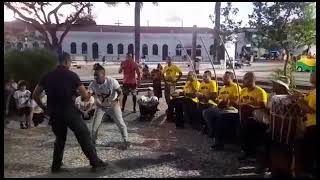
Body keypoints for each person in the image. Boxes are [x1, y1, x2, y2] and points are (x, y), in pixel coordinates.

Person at [32, 52, 107, 173]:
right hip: (69, 111)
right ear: (67, 61)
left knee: (60, 138)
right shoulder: (72, 75)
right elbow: (85, 96)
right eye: (70, 62)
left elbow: (35, 95)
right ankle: (95, 162)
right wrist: (87, 95)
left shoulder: (47, 76)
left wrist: (44, 108)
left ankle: (55, 166)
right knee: (83, 135)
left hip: (54, 113)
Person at [89, 63, 130, 149]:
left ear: (104, 76)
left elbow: (120, 92)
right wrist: (93, 98)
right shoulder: (93, 84)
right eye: (95, 77)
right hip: (100, 106)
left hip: (113, 105)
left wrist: (116, 100)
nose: (96, 79)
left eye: (98, 77)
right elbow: (89, 94)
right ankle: (93, 141)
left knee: (120, 123)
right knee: (94, 125)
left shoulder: (112, 81)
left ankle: (126, 140)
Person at [202, 71, 241, 150]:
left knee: (219, 117)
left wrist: (229, 102)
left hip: (231, 109)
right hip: (221, 108)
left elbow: (237, 100)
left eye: (226, 78)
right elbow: (218, 100)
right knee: (206, 112)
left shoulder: (236, 87)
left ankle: (219, 142)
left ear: (232, 79)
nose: (224, 79)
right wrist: (217, 101)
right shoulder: (222, 88)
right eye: (223, 77)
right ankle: (213, 131)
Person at [237, 72, 268, 161]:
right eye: (244, 78)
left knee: (247, 126)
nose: (243, 80)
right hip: (244, 115)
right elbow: (238, 102)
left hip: (256, 117)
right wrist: (241, 104)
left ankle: (249, 152)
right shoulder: (243, 91)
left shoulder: (260, 92)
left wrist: (252, 106)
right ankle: (245, 150)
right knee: (239, 125)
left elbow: (263, 107)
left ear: (252, 80)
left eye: (246, 78)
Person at [293, 72, 316, 178]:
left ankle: (308, 172)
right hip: (310, 124)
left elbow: (309, 109)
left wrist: (299, 101)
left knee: (309, 150)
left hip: (313, 126)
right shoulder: (312, 92)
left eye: (313, 75)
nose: (310, 76)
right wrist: (301, 97)